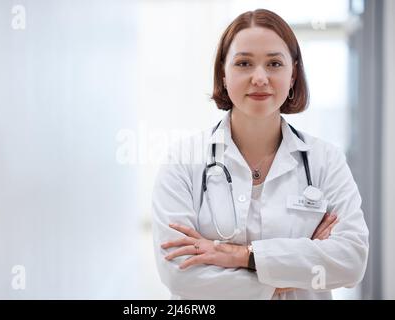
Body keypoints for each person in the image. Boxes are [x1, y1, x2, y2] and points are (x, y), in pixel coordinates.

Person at [151, 9, 369, 299]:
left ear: (292, 75)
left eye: (274, 63)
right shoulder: (183, 161)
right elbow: (180, 274)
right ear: (223, 74)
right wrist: (287, 275)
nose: (260, 77)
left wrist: (242, 256)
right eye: (243, 63)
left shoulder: (325, 160)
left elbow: (351, 261)